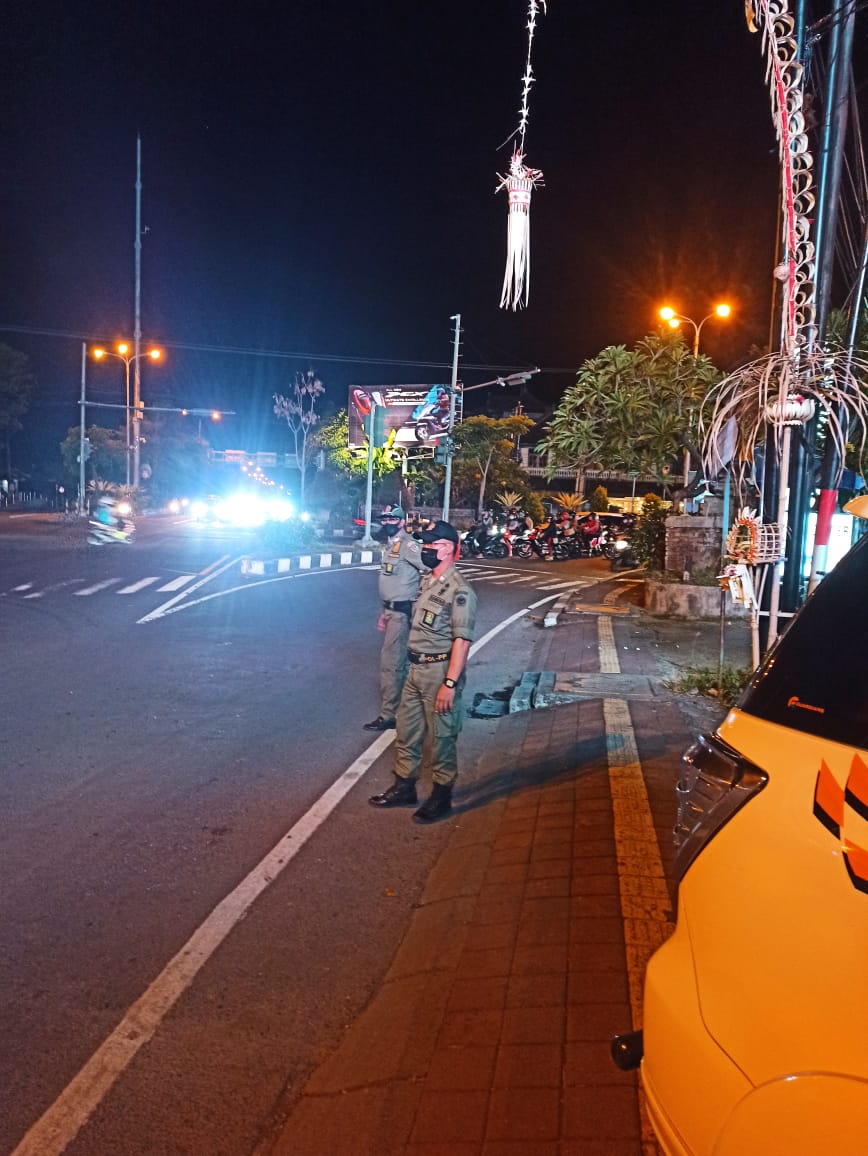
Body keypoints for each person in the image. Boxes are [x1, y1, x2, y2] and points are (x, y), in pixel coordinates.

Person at [368, 520, 477, 823]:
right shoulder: (428, 582)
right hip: (415, 669)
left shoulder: (460, 591)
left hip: (439, 671)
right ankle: (404, 787)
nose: (427, 549)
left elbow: (462, 641)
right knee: (406, 730)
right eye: (425, 545)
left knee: (442, 736)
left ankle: (441, 796)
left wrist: (450, 683)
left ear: (449, 549)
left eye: (433, 545)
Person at [364, 505, 426, 732]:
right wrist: (384, 612)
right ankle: (406, 712)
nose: (388, 522)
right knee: (401, 664)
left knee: (392, 664)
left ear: (401, 522)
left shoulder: (408, 545)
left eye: (393, 519)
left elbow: (430, 568)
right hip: (391, 611)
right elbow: (391, 583)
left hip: (402, 613)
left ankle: (390, 715)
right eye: (385, 519)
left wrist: (420, 601)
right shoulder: (391, 546)